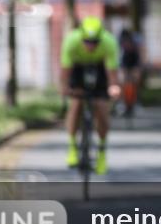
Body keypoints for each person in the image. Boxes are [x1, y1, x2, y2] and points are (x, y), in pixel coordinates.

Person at [60, 16, 120, 174]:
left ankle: (101, 152)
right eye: (87, 41)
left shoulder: (109, 42)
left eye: (95, 42)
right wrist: (65, 88)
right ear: (81, 36)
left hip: (100, 67)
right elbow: (65, 71)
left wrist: (113, 87)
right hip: (78, 67)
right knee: (76, 103)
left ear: (100, 38)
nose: (91, 45)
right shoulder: (71, 41)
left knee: (101, 107)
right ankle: (72, 147)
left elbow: (112, 72)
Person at [118, 27, 143, 116]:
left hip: (134, 62)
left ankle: (136, 102)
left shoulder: (136, 42)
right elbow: (120, 61)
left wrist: (138, 69)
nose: (126, 44)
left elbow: (140, 55)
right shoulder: (120, 44)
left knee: (135, 82)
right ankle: (122, 102)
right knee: (122, 81)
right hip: (124, 63)